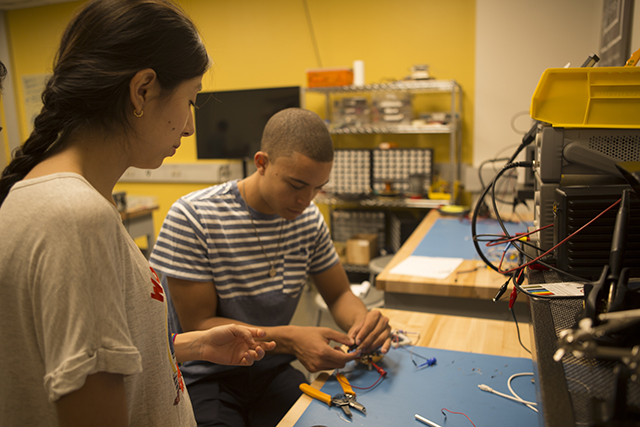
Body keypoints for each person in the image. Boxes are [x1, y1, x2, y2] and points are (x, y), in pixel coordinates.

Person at [0, 1, 275, 426]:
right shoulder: (76, 218)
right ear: (143, 90)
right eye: (191, 100)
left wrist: (189, 347)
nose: (189, 127)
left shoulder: (62, 200)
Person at [150, 107, 392, 427]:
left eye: (317, 188)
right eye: (296, 185)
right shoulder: (194, 217)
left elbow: (338, 295)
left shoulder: (308, 220)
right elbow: (200, 324)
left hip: (269, 369)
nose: (306, 200)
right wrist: (291, 338)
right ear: (262, 163)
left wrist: (364, 326)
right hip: (204, 376)